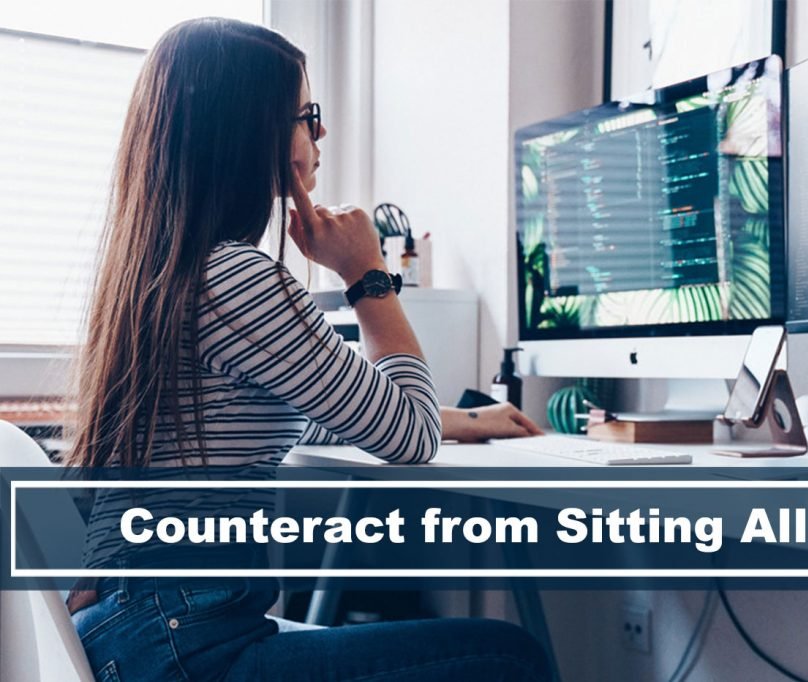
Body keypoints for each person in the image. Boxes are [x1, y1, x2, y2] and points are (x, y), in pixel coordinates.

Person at [65, 17, 549, 682]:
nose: (320, 135)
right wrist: (366, 277)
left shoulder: (160, 275)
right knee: (507, 657)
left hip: (129, 633)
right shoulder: (236, 276)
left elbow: (310, 409)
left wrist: (461, 418)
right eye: (306, 116)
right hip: (188, 647)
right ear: (253, 133)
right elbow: (406, 440)